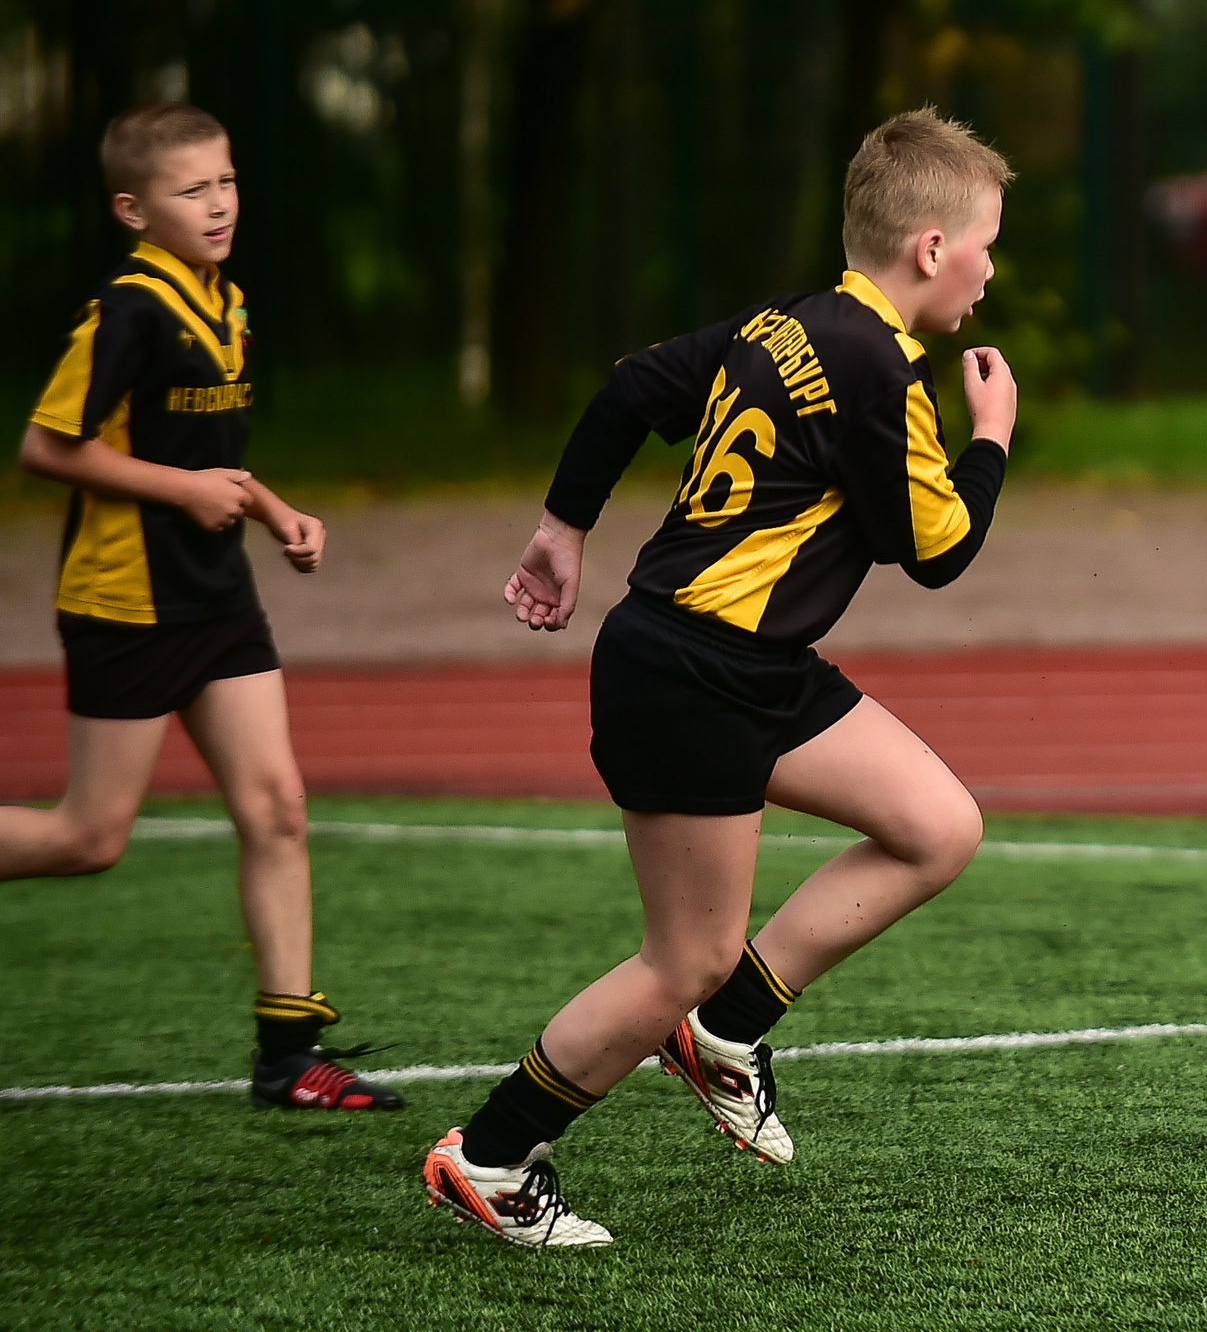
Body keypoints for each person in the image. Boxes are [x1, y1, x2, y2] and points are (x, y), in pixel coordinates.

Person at [422, 107, 1017, 1249]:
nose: (991, 272)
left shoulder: (786, 323)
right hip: (694, 673)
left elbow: (631, 388)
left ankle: (726, 1032)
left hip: (749, 664)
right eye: (986, 245)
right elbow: (939, 551)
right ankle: (489, 1158)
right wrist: (990, 434)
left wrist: (562, 528)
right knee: (683, 956)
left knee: (937, 827)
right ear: (933, 247)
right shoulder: (879, 366)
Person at [5, 101, 399, 1111]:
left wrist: (272, 508)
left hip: (219, 598)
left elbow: (204, 450)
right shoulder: (129, 309)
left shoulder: (224, 301)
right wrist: (184, 493)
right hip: (127, 602)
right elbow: (46, 447)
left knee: (277, 810)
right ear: (133, 210)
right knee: (88, 838)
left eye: (226, 181)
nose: (219, 203)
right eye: (192, 190)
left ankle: (288, 1057)